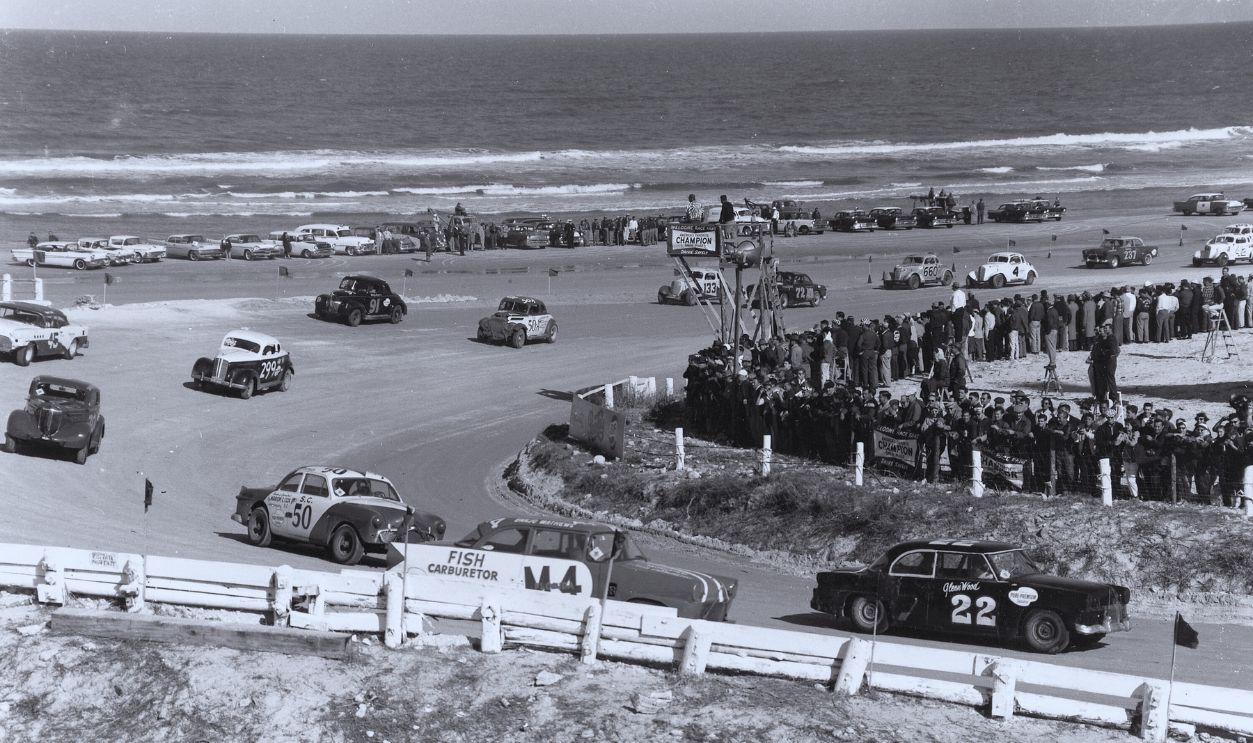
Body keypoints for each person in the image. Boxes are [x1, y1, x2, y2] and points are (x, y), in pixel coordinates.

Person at [1089, 320, 1120, 405]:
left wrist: (1104, 353)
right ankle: (1105, 396)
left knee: (1109, 378)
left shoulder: (1111, 338)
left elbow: (1113, 350)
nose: (1105, 330)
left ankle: (1113, 397)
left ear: (1110, 329)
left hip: (1109, 361)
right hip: (1105, 361)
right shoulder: (1104, 338)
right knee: (1104, 379)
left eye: (1106, 329)